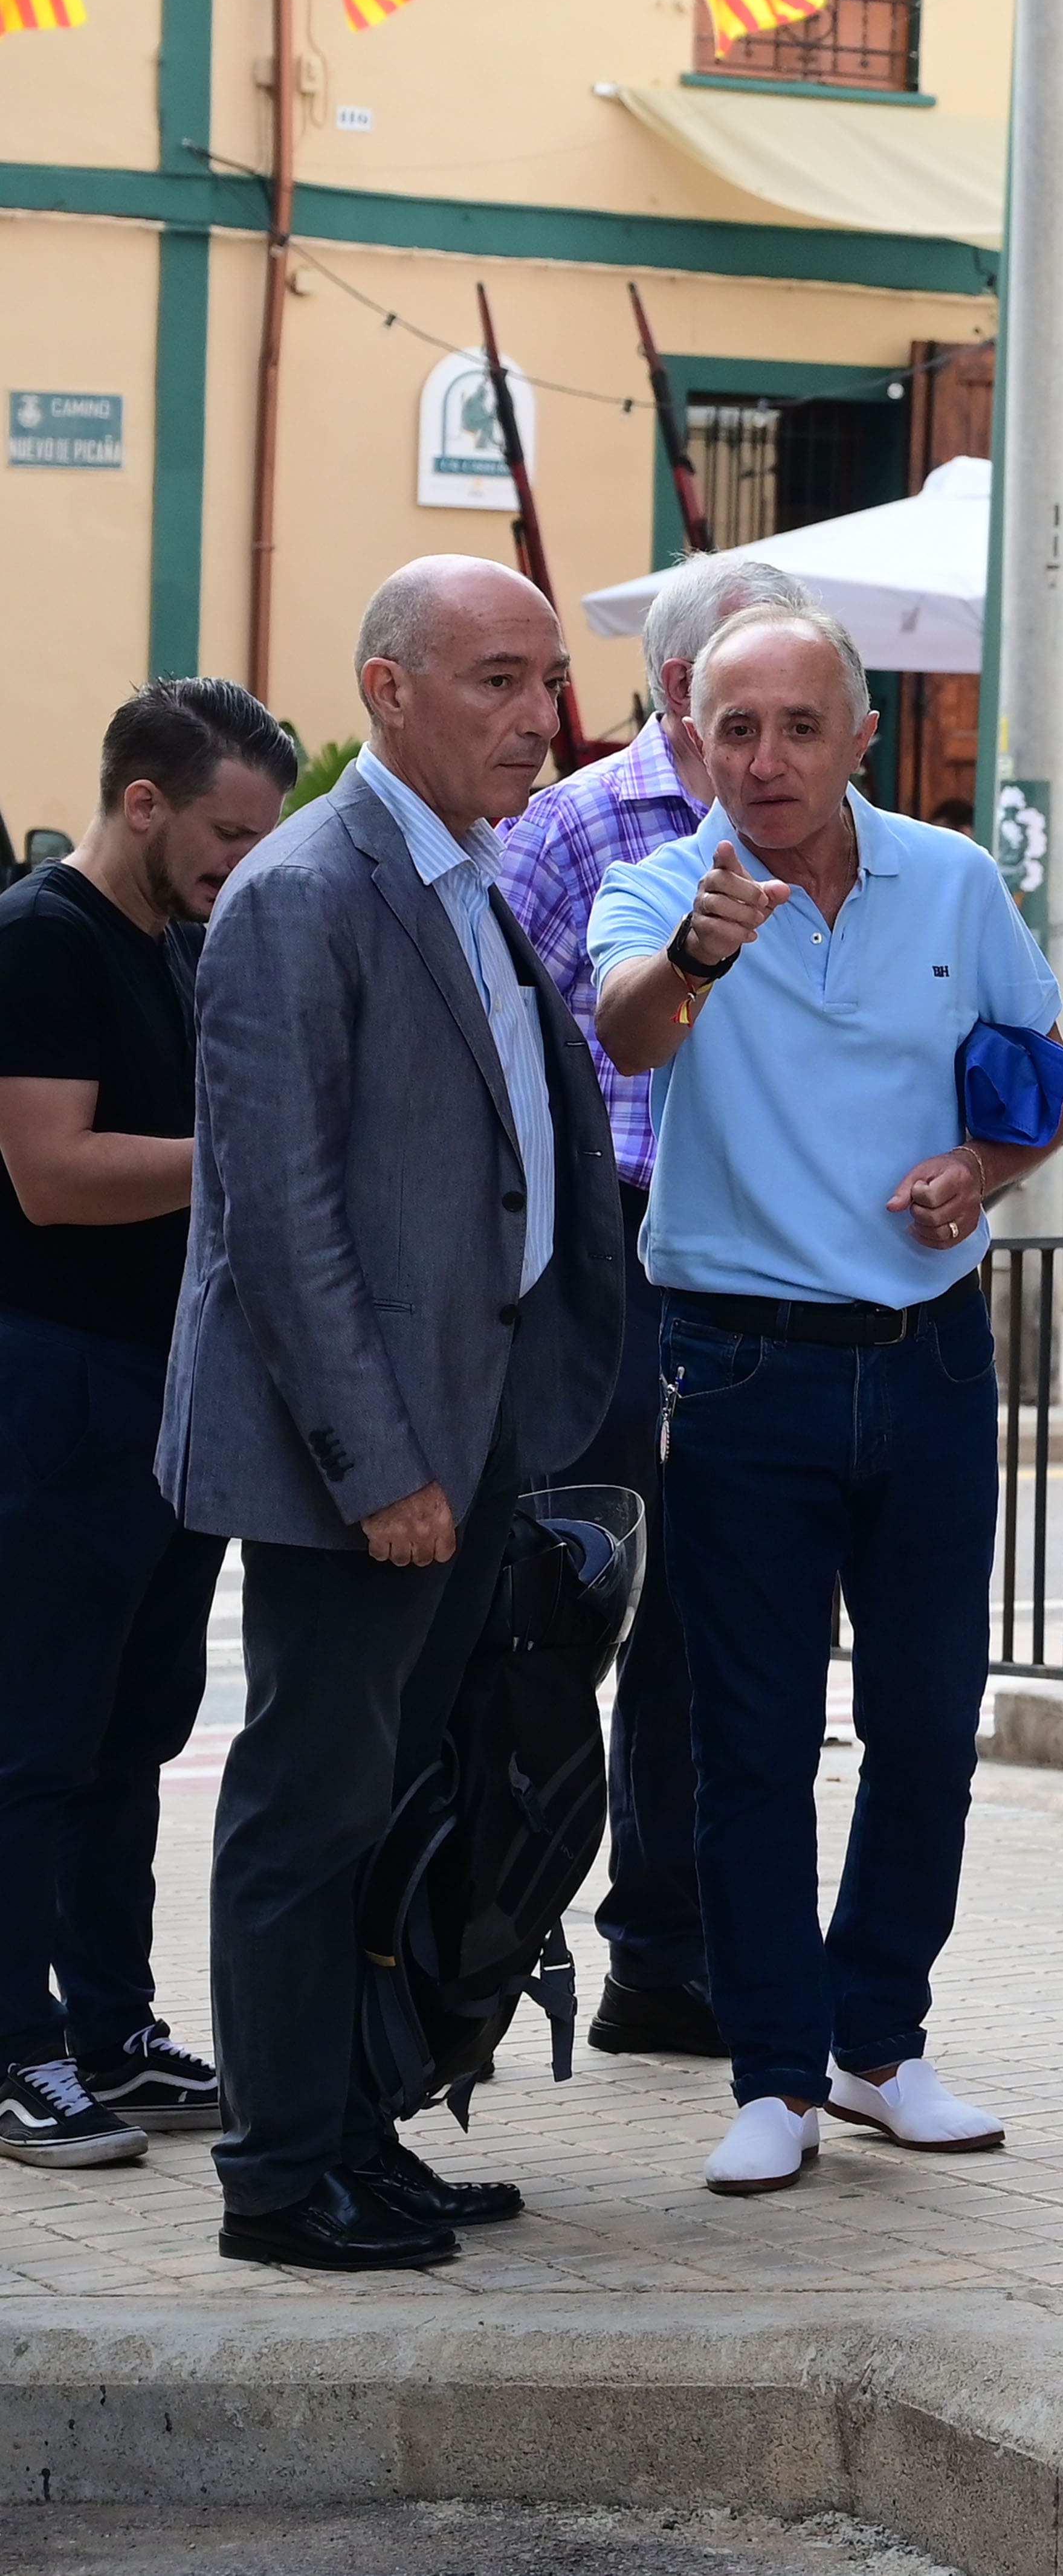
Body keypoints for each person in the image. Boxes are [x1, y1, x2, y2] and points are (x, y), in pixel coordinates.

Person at [164, 558, 625, 2268]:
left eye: (547, 680)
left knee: (396, 1795)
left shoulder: (466, 874)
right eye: (497, 680)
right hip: (359, 1455)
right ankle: (280, 2176)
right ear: (388, 689)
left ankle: (357, 2128)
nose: (539, 717)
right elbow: (279, 1222)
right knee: (310, 1801)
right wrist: (380, 1468)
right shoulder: (305, 889)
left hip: (469, 1419)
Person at [588, 602, 1063, 2199]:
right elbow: (628, 1028)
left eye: (800, 725)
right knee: (751, 1742)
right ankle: (775, 2076)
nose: (767, 758)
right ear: (692, 739)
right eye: (735, 728)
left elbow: (1039, 1071)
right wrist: (703, 952)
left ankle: (879, 2044)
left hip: (930, 1354)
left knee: (929, 1725)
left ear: (864, 734)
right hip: (738, 1362)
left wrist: (979, 1166)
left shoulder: (953, 879)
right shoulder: (667, 889)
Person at [494, 551, 812, 2064]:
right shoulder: (576, 828)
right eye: (750, 696)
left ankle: (666, 1956)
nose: (778, 734)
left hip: (755, 1260)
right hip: (609, 1248)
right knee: (574, 1591)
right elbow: (493, 1036)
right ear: (685, 690)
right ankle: (494, 1941)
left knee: (714, 1610)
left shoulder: (821, 833)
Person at [0, 681, 292, 2170]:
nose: (244, 862)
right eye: (228, 834)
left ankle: (110, 2030)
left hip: (168, 1382)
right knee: (38, 1734)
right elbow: (51, 1173)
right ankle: (15, 2046)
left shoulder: (180, 940)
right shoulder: (39, 939)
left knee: (134, 1731)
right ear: (142, 801)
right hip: (57, 1380)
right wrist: (242, 1149)